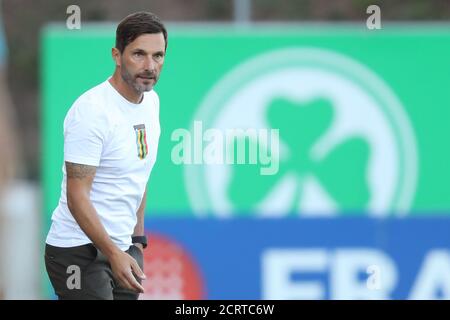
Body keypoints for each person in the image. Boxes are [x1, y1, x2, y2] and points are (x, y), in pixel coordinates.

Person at [44, 11, 166, 300]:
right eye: (139, 54)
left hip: (122, 250)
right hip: (77, 253)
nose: (150, 66)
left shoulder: (151, 102)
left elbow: (140, 174)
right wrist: (113, 252)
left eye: (158, 56)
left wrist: (136, 241)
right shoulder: (92, 111)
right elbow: (77, 197)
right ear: (117, 55)